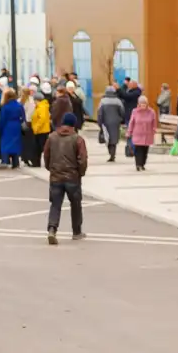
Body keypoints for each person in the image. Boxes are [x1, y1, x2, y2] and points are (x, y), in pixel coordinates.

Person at [43, 112, 88, 244]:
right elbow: (82, 159)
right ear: (74, 124)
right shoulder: (77, 139)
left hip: (56, 176)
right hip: (72, 177)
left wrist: (50, 168)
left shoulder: (52, 137)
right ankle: (77, 232)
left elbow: (46, 155)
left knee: (55, 204)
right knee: (76, 204)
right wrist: (81, 172)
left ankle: (52, 229)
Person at [126, 98, 157, 171]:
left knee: (145, 151)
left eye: (144, 103)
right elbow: (131, 122)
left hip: (147, 134)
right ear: (139, 104)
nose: (143, 105)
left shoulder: (151, 112)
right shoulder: (135, 111)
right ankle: (138, 165)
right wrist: (129, 132)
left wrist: (154, 130)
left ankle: (142, 164)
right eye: (141, 103)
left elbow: (154, 122)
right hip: (137, 134)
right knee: (138, 150)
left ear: (147, 104)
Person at [0, 89, 25, 168]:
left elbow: (3, 119)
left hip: (7, 126)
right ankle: (15, 162)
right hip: (16, 126)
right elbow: (23, 118)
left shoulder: (5, 106)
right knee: (15, 144)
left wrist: (0, 129)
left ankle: (5, 161)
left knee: (6, 145)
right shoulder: (19, 105)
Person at [96, 85, 125, 163]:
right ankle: (113, 154)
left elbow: (99, 113)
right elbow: (122, 112)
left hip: (106, 122)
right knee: (114, 139)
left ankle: (111, 153)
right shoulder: (118, 101)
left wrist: (99, 122)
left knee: (107, 138)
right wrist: (121, 120)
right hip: (116, 122)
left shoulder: (103, 101)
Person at [28, 90, 51, 167]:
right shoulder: (40, 106)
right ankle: (36, 162)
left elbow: (42, 119)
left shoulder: (42, 107)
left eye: (34, 100)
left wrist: (36, 128)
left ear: (37, 100)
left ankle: (42, 162)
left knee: (40, 148)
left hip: (41, 131)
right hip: (40, 130)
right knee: (39, 148)